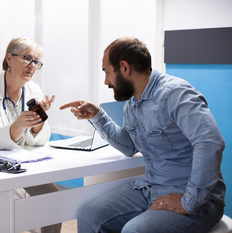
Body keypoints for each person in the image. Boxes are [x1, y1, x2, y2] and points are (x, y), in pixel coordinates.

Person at [60, 37, 225, 233]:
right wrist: (97, 116)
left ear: (124, 67)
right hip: (151, 189)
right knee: (89, 213)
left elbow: (210, 141)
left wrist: (189, 202)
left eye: (106, 72)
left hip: (197, 200)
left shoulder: (175, 94)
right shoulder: (132, 102)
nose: (106, 81)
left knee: (134, 230)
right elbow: (129, 147)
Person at [0, 37, 61, 233]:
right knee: (6, 213)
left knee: (53, 198)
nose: (32, 66)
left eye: (36, 62)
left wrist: (37, 123)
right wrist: (18, 125)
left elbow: (39, 140)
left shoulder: (33, 89)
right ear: (9, 59)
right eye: (27, 58)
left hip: (20, 162)